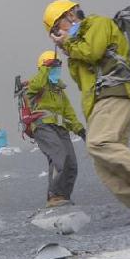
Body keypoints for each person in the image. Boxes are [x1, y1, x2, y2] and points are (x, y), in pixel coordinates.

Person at [44, 0, 130, 220]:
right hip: (103, 102)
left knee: (99, 142)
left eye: (57, 26)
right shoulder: (74, 46)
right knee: (103, 163)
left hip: (116, 93)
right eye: (53, 31)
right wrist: (70, 47)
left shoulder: (97, 24)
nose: (56, 34)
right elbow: (84, 81)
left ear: (70, 15)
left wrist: (69, 43)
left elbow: (93, 51)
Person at [27, 50, 86, 207]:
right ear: (44, 67)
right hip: (43, 126)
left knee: (71, 163)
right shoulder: (35, 83)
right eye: (53, 66)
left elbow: (69, 113)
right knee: (59, 156)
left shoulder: (59, 90)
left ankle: (63, 196)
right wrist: (46, 67)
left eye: (58, 66)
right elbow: (37, 85)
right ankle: (54, 195)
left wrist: (80, 130)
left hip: (61, 128)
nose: (57, 69)